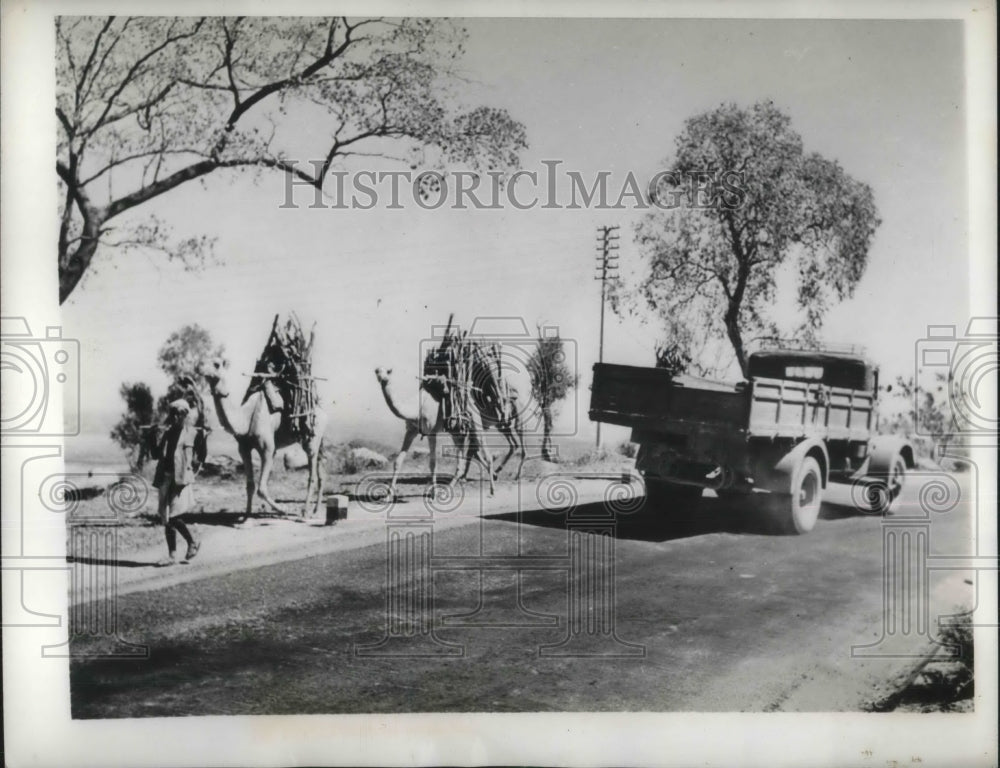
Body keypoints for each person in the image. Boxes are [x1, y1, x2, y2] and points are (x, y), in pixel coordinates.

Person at [152, 398, 202, 566]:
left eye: (179, 414)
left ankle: (192, 542)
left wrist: (204, 438)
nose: (175, 417)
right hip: (166, 478)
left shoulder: (191, 433)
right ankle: (172, 556)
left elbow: (196, 457)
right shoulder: (167, 433)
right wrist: (152, 436)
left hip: (180, 480)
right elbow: (155, 455)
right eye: (173, 414)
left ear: (185, 415)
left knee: (173, 517)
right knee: (166, 518)